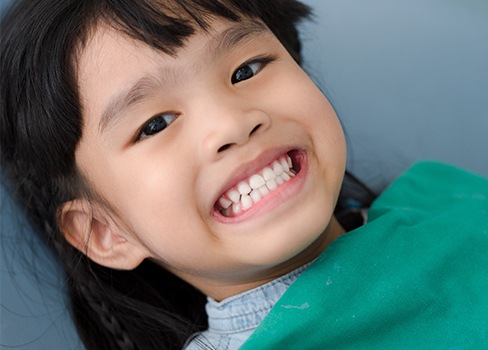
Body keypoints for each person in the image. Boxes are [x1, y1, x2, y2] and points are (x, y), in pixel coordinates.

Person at [1, 1, 486, 350]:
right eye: (155, 125)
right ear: (104, 232)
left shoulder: (447, 199)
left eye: (247, 69)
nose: (233, 123)